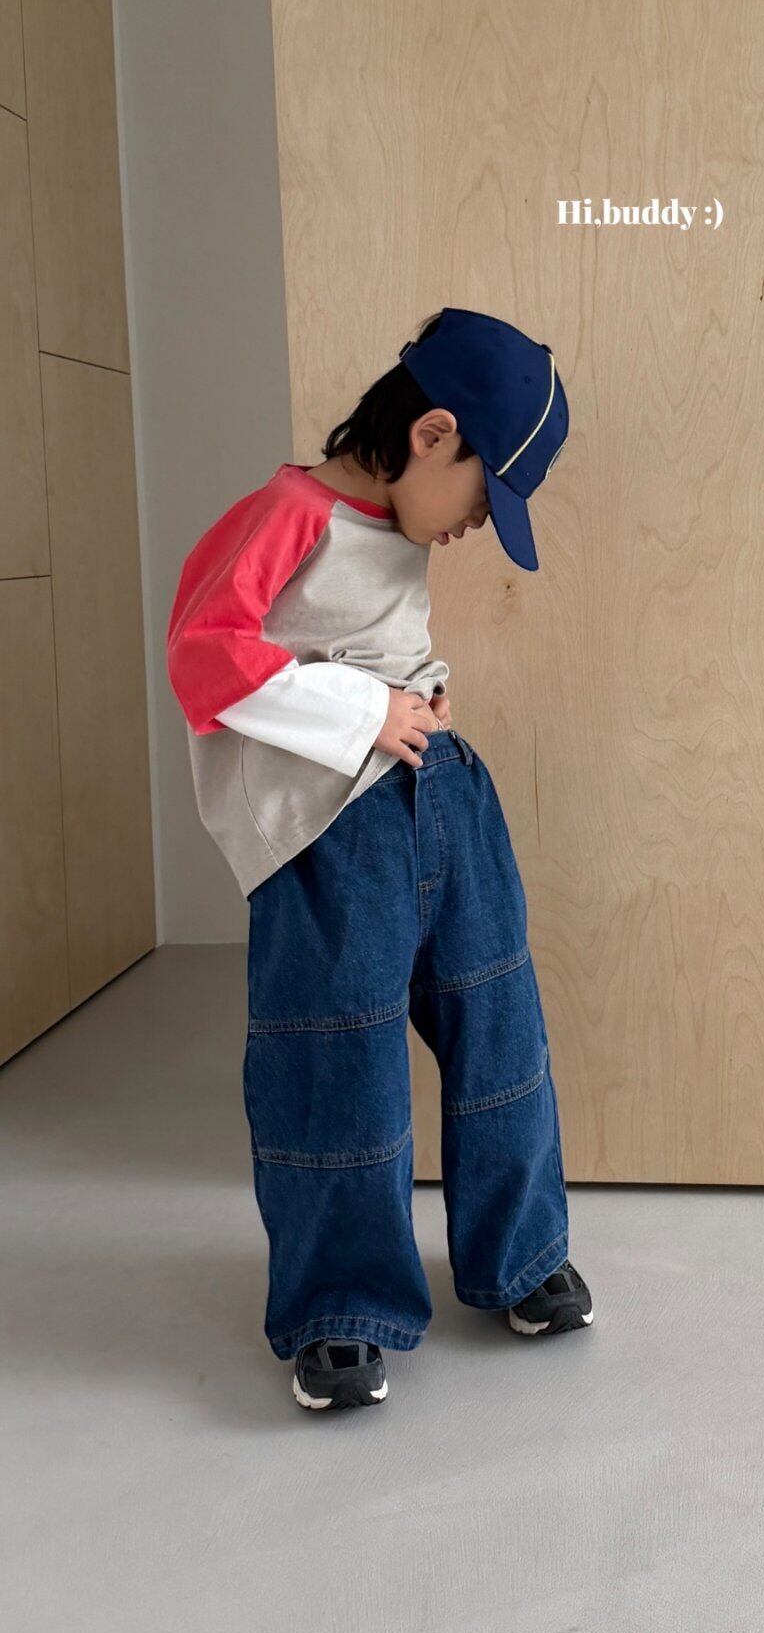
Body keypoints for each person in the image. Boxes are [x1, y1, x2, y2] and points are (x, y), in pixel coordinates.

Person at [166, 306, 592, 1412]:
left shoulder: (397, 518)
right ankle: (340, 1307)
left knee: (499, 1026)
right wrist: (369, 711)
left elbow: (368, 642)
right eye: (483, 497)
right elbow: (205, 658)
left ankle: (520, 1253)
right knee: (337, 1063)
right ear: (432, 433)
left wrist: (419, 703)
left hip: (442, 798)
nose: (475, 527)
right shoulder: (284, 515)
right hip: (331, 835)